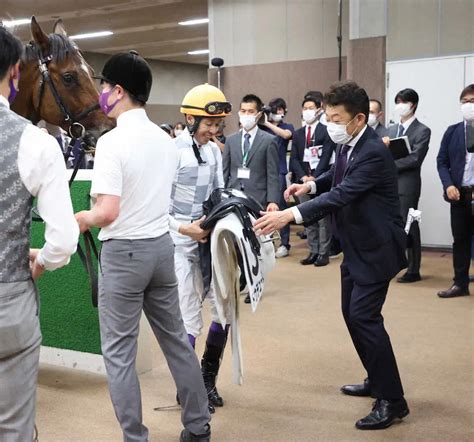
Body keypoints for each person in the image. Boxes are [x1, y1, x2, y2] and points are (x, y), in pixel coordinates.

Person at [255, 81, 409, 431]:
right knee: (351, 314)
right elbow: (334, 177)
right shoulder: (349, 143)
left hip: (376, 247)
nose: (329, 124)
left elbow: (341, 194)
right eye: (327, 116)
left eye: (336, 118)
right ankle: (376, 377)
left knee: (364, 316)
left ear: (358, 118)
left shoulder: (372, 151)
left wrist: (289, 215)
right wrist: (309, 185)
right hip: (354, 244)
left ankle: (393, 401)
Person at [75, 51, 211, 442]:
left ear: (118, 91)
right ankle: (199, 427)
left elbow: (107, 211)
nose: (100, 92)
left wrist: (80, 218)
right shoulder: (166, 141)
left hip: (123, 257)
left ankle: (136, 438)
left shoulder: (112, 143)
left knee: (119, 355)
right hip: (160, 252)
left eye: (103, 86)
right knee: (177, 344)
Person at [0, 26, 79, 439]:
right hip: (9, 302)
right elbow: (64, 240)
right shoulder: (36, 143)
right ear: (16, 72)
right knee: (14, 428)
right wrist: (43, 260)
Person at [169, 83, 232, 412]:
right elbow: (156, 210)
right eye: (208, 124)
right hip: (181, 246)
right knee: (189, 318)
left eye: (217, 124)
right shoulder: (170, 153)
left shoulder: (213, 151)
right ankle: (188, 387)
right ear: (190, 119)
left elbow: (219, 195)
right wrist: (185, 228)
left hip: (211, 244)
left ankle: (207, 380)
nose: (213, 130)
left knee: (224, 312)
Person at [385, 88, 431, 283]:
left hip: (408, 185)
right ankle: (395, 263)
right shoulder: (391, 129)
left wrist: (389, 165)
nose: (399, 106)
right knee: (391, 225)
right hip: (388, 185)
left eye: (402, 102)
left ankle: (414, 269)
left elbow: (415, 159)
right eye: (397, 102)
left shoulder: (422, 130)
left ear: (412, 105)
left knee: (410, 224)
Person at [436, 84, 474, 298]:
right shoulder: (453, 131)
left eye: (472, 101)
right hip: (460, 195)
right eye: (464, 102)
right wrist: (448, 184)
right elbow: (442, 161)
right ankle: (460, 283)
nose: (468, 106)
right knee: (460, 240)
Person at [289, 92, 335, 266]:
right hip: (302, 181)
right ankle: (313, 250)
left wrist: (314, 179)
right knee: (307, 217)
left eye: (311, 108)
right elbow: (294, 158)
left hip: (321, 180)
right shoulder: (298, 133)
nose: (307, 111)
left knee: (323, 219)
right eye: (305, 108)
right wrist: (303, 177)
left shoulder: (326, 131)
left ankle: (324, 253)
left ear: (319, 110)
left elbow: (326, 157)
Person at [223, 94, 279, 212]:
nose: (246, 115)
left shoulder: (269, 140)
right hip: (233, 198)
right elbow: (225, 171)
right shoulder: (231, 140)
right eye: (243, 111)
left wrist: (272, 200)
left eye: (250, 111)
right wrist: (222, 194)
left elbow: (272, 173)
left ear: (258, 114)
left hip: (258, 199)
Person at [261, 97, 294, 258]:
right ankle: (267, 242)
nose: (277, 113)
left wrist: (267, 123)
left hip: (280, 171)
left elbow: (287, 135)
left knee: (280, 208)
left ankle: (284, 243)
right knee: (264, 208)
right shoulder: (263, 129)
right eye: (275, 110)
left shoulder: (286, 126)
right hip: (263, 173)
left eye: (281, 110)